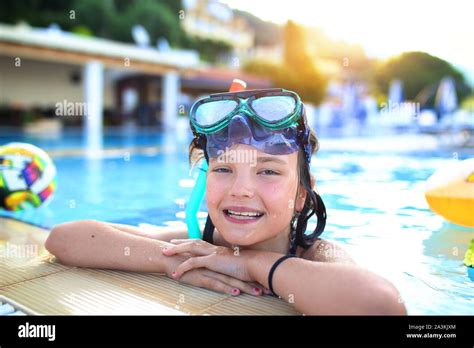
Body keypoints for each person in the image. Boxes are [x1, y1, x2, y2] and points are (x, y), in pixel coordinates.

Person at [45, 88, 406, 315]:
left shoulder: (314, 255)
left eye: (268, 172)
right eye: (223, 170)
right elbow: (63, 238)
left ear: (301, 194)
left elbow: (381, 305)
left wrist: (247, 264)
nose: (241, 190)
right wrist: (173, 262)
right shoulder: (199, 246)